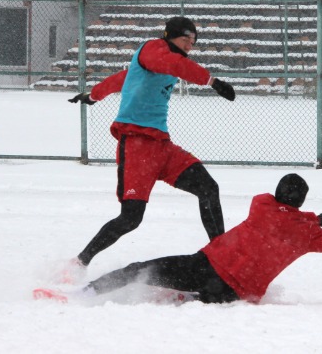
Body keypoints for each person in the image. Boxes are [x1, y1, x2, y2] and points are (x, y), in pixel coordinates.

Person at [37, 173, 322, 304]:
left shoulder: (261, 205)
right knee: (190, 295)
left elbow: (288, 217)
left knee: (138, 269)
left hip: (205, 266)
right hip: (235, 291)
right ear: (303, 205)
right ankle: (184, 295)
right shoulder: (309, 234)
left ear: (278, 194)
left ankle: (83, 295)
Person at [64, 16, 237, 277]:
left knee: (208, 188)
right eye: (185, 39)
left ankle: (221, 257)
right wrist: (212, 81)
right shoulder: (153, 49)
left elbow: (122, 79)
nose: (190, 45)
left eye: (193, 41)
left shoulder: (165, 62)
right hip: (136, 146)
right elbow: (172, 63)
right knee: (131, 218)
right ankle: (79, 263)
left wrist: (93, 95)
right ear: (169, 36)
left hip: (161, 146)